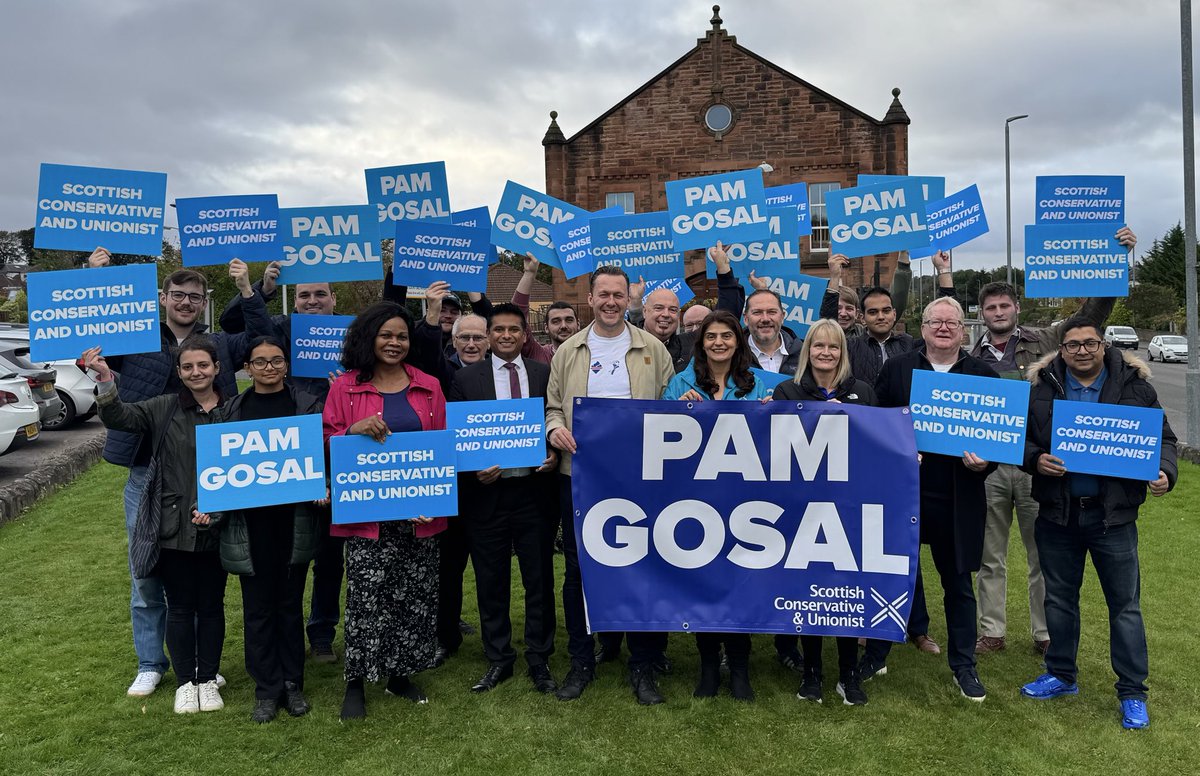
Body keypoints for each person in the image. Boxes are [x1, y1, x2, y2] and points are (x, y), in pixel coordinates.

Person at [220, 263, 446, 664]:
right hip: (301, 456)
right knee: (298, 553)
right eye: (304, 294)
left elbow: (390, 323)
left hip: (361, 468)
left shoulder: (359, 339)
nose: (311, 301)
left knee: (331, 558)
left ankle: (323, 632)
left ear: (333, 299)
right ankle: (301, 638)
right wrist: (255, 287)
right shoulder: (285, 330)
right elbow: (246, 327)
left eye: (319, 294)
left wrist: (396, 273)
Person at [87, 247, 270, 698]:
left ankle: (202, 665)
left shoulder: (221, 345)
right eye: (177, 294)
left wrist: (248, 289)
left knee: (210, 568)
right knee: (147, 569)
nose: (186, 302)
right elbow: (92, 331)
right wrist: (99, 278)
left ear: (205, 301)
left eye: (195, 295)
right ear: (163, 298)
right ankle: (151, 661)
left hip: (211, 474)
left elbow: (263, 338)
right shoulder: (136, 337)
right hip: (147, 472)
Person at [969, 226, 1137, 656]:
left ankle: (1044, 634)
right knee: (990, 556)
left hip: (1038, 462)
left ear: (1017, 308)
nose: (999, 311)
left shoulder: (1046, 339)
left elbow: (1091, 315)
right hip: (988, 466)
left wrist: (1117, 259)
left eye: (1005, 304)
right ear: (983, 312)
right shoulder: (971, 358)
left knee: (1041, 553)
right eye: (991, 306)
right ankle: (992, 631)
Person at [1018, 317, 1176, 730]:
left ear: (1103, 346)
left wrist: (1164, 471)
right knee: (1059, 601)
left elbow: (1166, 440)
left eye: (1090, 343)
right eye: (1073, 345)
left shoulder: (1136, 388)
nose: (1082, 351)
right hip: (1058, 513)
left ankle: (1132, 692)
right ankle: (1061, 674)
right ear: (1062, 350)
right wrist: (1036, 460)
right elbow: (1020, 441)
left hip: (1113, 517)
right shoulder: (1041, 390)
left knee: (1124, 607)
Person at [545, 265, 675, 704]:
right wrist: (553, 431)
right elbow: (552, 408)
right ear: (591, 297)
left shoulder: (653, 350)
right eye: (604, 294)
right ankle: (581, 661)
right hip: (579, 477)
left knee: (642, 566)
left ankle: (643, 666)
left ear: (628, 299)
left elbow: (671, 411)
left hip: (641, 480)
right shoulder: (568, 351)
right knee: (579, 569)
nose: (611, 302)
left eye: (619, 295)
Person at [861, 296, 998, 702]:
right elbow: (878, 423)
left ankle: (964, 666)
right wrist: (898, 449)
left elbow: (996, 440)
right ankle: (879, 653)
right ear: (921, 329)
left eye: (951, 323)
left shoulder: (984, 376)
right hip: (904, 492)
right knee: (891, 575)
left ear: (962, 330)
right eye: (935, 322)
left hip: (958, 494)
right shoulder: (898, 368)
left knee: (958, 583)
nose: (942, 328)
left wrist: (984, 465)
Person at [85, 336, 230, 714]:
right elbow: (120, 417)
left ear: (217, 368)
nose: (196, 372)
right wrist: (105, 381)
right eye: (187, 367)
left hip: (218, 525)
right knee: (181, 606)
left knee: (212, 605)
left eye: (203, 365)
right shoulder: (163, 407)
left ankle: (209, 678)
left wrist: (220, 509)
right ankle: (186, 682)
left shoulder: (235, 409)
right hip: (172, 524)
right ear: (179, 373)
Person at [824, 250, 956, 657]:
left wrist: (942, 275)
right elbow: (826, 321)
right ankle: (868, 620)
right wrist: (832, 278)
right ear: (861, 316)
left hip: (912, 459)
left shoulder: (912, 347)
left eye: (887, 310)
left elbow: (944, 323)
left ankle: (918, 628)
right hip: (864, 456)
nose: (880, 316)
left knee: (907, 545)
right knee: (871, 547)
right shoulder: (850, 346)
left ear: (895, 314)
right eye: (872, 311)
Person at [322, 302, 448, 720]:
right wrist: (351, 431)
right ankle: (355, 682)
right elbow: (326, 440)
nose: (395, 343)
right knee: (365, 599)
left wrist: (433, 497)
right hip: (367, 515)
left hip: (419, 515)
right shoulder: (346, 387)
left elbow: (441, 448)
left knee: (414, 597)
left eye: (401, 336)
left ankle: (400, 675)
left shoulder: (429, 384)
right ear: (368, 338)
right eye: (386, 335)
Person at [448, 303, 560, 694]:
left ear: (525, 333)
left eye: (515, 329)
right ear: (490, 335)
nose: (507, 336)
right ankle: (499, 658)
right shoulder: (466, 379)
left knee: (538, 579)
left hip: (534, 492)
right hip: (487, 495)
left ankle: (539, 658)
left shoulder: (544, 374)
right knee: (490, 580)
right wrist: (472, 468)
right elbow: (457, 438)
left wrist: (553, 452)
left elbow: (555, 419)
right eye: (499, 330)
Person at [210, 337, 324, 723]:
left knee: (290, 606)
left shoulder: (306, 406)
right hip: (249, 524)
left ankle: (292, 684)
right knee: (257, 609)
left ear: (287, 366)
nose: (269, 367)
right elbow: (216, 465)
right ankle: (266, 689)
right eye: (261, 362)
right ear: (247, 367)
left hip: (294, 521)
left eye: (276, 361)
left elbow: (323, 455)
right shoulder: (231, 412)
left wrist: (322, 485)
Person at [662, 309, 771, 701]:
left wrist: (770, 412)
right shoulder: (680, 384)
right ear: (701, 342)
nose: (719, 342)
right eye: (712, 337)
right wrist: (675, 412)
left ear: (738, 342)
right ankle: (708, 668)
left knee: (741, 584)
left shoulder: (757, 385)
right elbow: (659, 439)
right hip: (697, 502)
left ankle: (740, 669)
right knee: (704, 585)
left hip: (745, 502)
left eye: (727, 336)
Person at [773, 319, 877, 706]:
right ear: (808, 350)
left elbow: (876, 443)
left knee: (846, 589)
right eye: (819, 346)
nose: (826, 353)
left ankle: (849, 673)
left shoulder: (863, 392)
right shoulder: (787, 391)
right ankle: (811, 671)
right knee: (808, 591)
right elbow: (773, 449)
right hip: (801, 506)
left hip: (849, 506)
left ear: (842, 353)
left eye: (834, 347)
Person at [629, 280, 697, 374]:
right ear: (645, 311)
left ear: (678, 315)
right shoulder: (627, 341)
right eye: (658, 308)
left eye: (672, 310)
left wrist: (722, 273)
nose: (666, 314)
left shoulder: (690, 344)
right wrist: (635, 302)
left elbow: (722, 320)